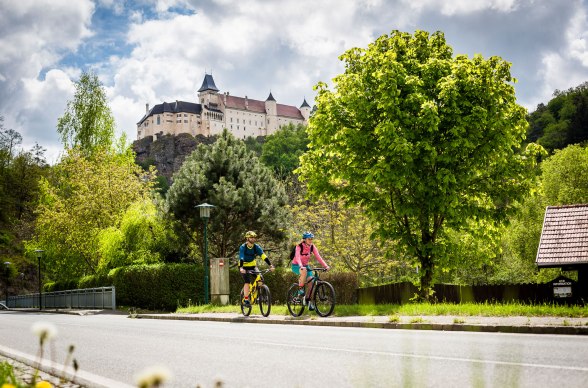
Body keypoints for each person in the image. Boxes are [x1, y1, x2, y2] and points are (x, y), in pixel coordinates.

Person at [291, 231, 329, 310]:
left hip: (305, 266)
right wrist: (301, 266)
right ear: (304, 239)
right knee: (304, 271)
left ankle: (308, 301)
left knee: (311, 282)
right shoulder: (299, 246)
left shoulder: (312, 247)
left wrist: (325, 265)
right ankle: (300, 289)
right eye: (309, 239)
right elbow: (297, 257)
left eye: (312, 239)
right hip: (296, 265)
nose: (311, 240)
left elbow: (318, 257)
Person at [239, 230, 274, 306]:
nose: (253, 239)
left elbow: (263, 256)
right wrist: (241, 268)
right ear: (247, 238)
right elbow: (241, 257)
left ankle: (259, 295)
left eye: (254, 238)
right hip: (243, 266)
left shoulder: (256, 247)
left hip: (252, 266)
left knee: (260, 278)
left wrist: (270, 265)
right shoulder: (243, 247)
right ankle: (246, 299)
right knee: (247, 282)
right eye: (251, 238)